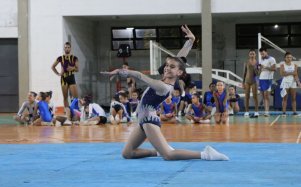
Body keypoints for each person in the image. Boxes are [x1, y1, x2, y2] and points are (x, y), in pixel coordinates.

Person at [101, 56, 229, 161]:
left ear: (179, 73)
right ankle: (157, 151)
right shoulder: (165, 78)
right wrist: (190, 42)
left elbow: (140, 76)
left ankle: (205, 154)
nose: (167, 68)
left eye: (172, 67)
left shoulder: (163, 86)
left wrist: (120, 71)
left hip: (149, 121)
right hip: (143, 121)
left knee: (169, 155)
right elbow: (179, 59)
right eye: (167, 65)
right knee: (127, 153)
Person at [51, 42, 79, 111]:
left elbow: (77, 69)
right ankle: (67, 113)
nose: (67, 49)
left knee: (75, 97)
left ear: (70, 48)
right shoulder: (60, 58)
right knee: (65, 97)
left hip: (71, 77)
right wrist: (58, 73)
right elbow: (53, 66)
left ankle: (75, 112)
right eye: (66, 47)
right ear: (64, 48)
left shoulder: (75, 58)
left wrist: (72, 68)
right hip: (64, 78)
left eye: (68, 47)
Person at [279, 52, 299, 116]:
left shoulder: (295, 65)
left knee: (294, 98)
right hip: (285, 83)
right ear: (285, 58)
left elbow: (295, 74)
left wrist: (298, 82)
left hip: (293, 82)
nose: (289, 58)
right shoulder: (282, 65)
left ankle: (294, 112)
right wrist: (292, 73)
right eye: (288, 57)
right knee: (285, 98)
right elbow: (282, 74)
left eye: (290, 57)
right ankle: (284, 112)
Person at [258, 47, 276, 117]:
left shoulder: (272, 59)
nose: (262, 55)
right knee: (263, 96)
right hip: (261, 79)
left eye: (263, 53)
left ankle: (267, 112)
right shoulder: (261, 60)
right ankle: (265, 110)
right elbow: (259, 71)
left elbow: (274, 69)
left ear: (266, 52)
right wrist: (258, 69)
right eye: (261, 54)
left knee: (266, 96)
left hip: (268, 79)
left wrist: (265, 67)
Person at [242, 49, 259, 117]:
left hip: (254, 81)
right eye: (251, 54)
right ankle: (246, 111)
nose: (252, 55)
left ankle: (256, 111)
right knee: (247, 96)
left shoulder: (258, 63)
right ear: (249, 55)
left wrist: (255, 67)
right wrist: (243, 82)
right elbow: (244, 72)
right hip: (247, 81)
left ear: (255, 55)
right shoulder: (246, 62)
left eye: (253, 54)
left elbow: (258, 73)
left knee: (255, 96)